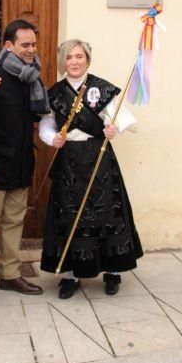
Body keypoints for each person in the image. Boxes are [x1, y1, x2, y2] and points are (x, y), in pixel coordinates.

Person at [39, 39, 143, 299]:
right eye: (69, 57)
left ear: (87, 60)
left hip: (99, 160)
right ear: (63, 61)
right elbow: (45, 125)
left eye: (79, 57)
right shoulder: (54, 93)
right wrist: (52, 139)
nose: (74, 62)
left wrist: (113, 127)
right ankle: (73, 275)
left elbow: (127, 121)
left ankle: (113, 271)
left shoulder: (101, 88)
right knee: (71, 217)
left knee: (107, 214)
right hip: (69, 162)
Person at [0, 19, 51, 299]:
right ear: (8, 45)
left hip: (21, 164)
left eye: (34, 44)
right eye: (25, 44)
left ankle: (10, 275)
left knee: (14, 221)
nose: (32, 49)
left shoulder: (30, 77)